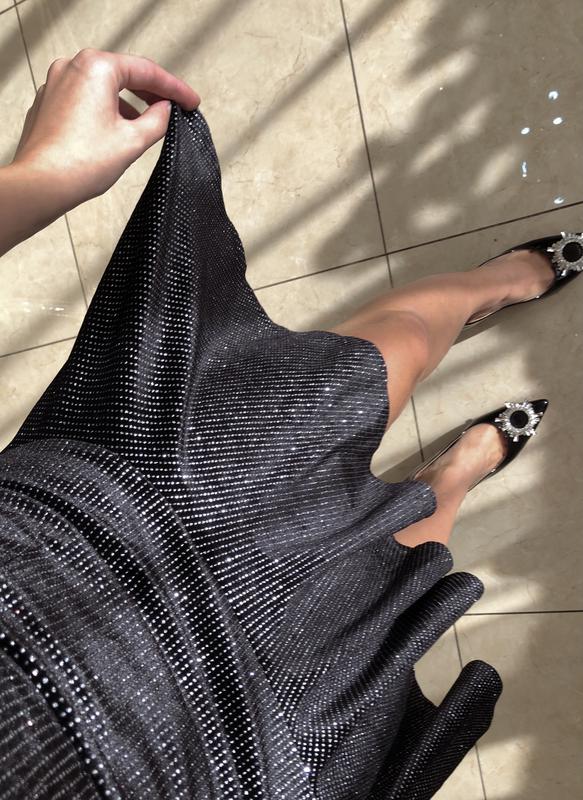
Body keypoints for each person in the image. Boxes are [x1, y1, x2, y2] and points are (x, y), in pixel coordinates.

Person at [0, 49, 580, 799]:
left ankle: (488, 287)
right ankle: (451, 475)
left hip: (94, 516)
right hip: (256, 758)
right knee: (395, 573)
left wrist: (41, 178)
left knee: (377, 361)